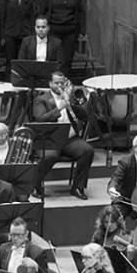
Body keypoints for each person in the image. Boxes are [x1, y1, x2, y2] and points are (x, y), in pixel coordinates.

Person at [30, 71, 97, 199]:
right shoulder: (41, 99)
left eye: (62, 83)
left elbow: (85, 116)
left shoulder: (69, 97)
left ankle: (78, 187)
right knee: (50, 156)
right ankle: (35, 185)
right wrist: (59, 108)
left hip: (69, 139)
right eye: (56, 83)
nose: (59, 85)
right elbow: (41, 120)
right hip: (49, 140)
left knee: (88, 151)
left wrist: (71, 102)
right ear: (50, 84)